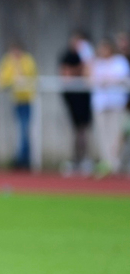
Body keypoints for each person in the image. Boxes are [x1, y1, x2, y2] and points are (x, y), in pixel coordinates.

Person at [0, 40, 38, 170]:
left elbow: (30, 77)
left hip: (27, 100)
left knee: (24, 129)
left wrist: (18, 70)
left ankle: (24, 159)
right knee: (19, 130)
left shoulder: (28, 60)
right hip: (15, 100)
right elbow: (1, 79)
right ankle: (21, 158)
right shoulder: (8, 60)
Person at [90, 38, 130, 176]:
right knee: (103, 135)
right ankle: (106, 162)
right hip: (100, 104)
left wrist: (107, 80)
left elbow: (120, 78)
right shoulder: (98, 63)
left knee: (115, 134)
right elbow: (91, 78)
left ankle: (115, 163)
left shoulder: (120, 61)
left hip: (116, 103)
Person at [59, 33, 94, 176]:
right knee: (76, 130)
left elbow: (88, 73)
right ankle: (75, 160)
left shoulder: (87, 55)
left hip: (85, 99)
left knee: (83, 130)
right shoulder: (67, 56)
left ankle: (84, 159)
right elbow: (66, 74)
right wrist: (81, 67)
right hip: (73, 100)